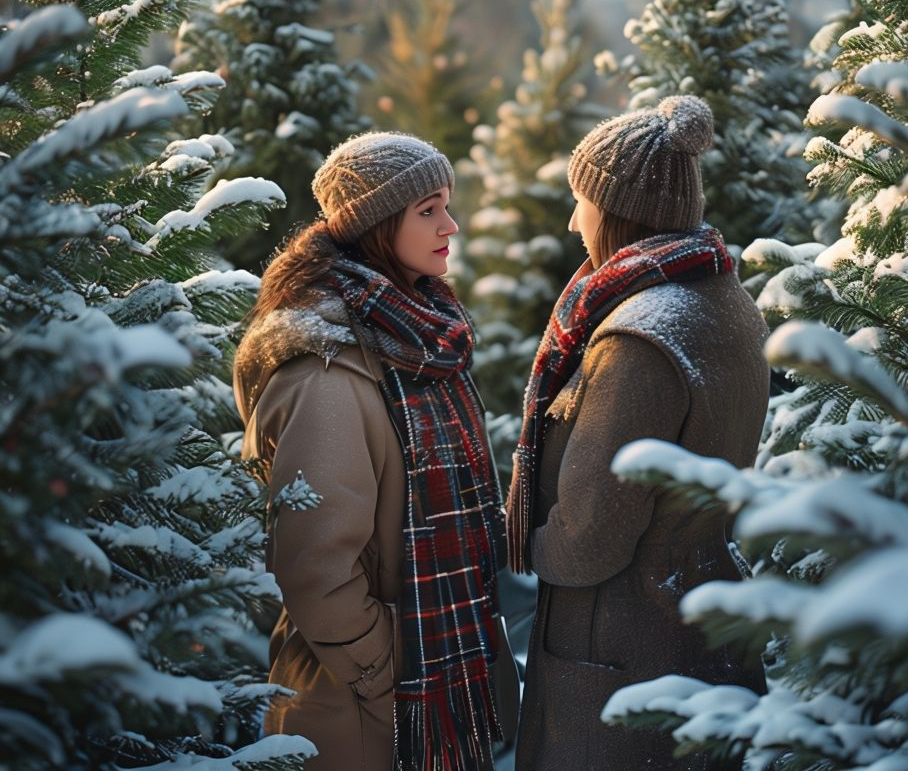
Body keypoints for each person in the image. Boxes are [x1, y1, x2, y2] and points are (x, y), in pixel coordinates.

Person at [234, 132, 517, 771]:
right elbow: (315, 568)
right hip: (364, 713)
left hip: (437, 682)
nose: (451, 224)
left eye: (447, 204)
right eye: (428, 210)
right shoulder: (327, 374)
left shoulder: (415, 335)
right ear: (375, 225)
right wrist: (385, 673)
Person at [508, 95, 770, 770]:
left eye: (582, 202)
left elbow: (590, 539)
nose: (573, 221)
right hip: (696, 624)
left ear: (620, 210)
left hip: (622, 657)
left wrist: (521, 544)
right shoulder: (721, 295)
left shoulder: (637, 341)